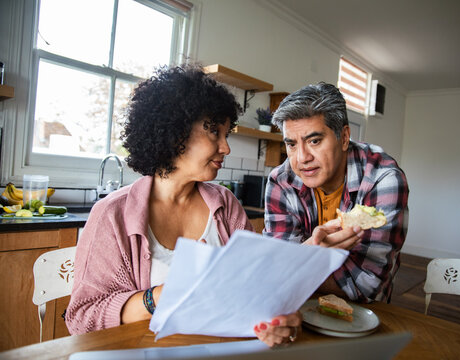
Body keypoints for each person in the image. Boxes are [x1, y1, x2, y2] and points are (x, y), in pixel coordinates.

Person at [66, 64, 300, 347]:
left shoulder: (226, 205)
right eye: (214, 132)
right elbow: (82, 317)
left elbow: (255, 288)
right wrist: (161, 296)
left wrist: (273, 318)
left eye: (227, 134)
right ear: (174, 132)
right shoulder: (112, 215)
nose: (226, 147)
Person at [264, 82, 409, 303]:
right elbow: (275, 265)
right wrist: (311, 254)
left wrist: (300, 264)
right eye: (291, 144)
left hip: (364, 316)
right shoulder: (281, 180)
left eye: (314, 141)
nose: (302, 158)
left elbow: (365, 283)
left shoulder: (383, 179)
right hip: (297, 306)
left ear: (343, 138)